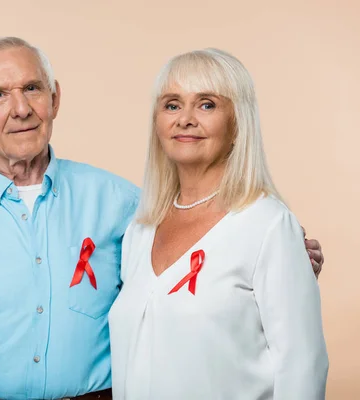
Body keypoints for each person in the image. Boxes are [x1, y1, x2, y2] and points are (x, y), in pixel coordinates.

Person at [0, 37, 325, 400]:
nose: (20, 109)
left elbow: (208, 254)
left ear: (55, 99)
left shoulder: (126, 206)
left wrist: (286, 265)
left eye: (33, 89)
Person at [108, 48, 329, 400]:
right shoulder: (141, 229)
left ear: (238, 122)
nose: (186, 119)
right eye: (172, 104)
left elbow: (301, 367)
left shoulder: (268, 225)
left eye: (207, 104)